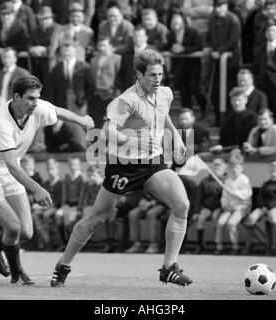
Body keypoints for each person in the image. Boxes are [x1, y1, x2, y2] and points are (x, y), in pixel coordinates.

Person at [51, 49, 192, 287]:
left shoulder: (165, 93)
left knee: (182, 205)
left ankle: (169, 268)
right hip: (124, 165)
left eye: (160, 74)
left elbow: (163, 114)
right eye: (152, 75)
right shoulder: (126, 100)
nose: (158, 80)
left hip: (153, 162)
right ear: (139, 74)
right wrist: (135, 141)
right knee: (97, 217)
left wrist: (175, 136)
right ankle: (63, 265)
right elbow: (107, 132)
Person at [0, 75, 94, 285]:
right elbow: (12, 165)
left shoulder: (37, 107)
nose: (36, 102)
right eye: (31, 98)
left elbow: (58, 111)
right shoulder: (0, 120)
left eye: (38, 97)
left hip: (9, 169)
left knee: (26, 231)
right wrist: (37, 188)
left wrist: (81, 121)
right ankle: (18, 274)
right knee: (13, 228)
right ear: (16, 97)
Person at [243, 161, 276, 256]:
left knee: (272, 215)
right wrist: (262, 206)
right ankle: (249, 244)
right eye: (272, 171)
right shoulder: (266, 184)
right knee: (252, 217)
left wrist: (269, 208)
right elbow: (259, 196)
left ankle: (274, 246)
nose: (273, 173)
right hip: (264, 207)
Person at [214, 149, 252, 255]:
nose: (234, 169)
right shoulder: (228, 180)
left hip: (242, 207)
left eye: (237, 167)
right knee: (220, 222)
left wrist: (234, 192)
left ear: (241, 168)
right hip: (230, 206)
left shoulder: (244, 180)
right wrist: (225, 205)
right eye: (232, 167)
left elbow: (246, 194)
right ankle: (219, 245)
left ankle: (234, 246)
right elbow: (224, 196)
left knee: (231, 223)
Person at [191, 158, 226, 254]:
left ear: (224, 169)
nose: (216, 170)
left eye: (219, 168)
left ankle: (217, 245)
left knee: (215, 217)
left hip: (220, 207)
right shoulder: (205, 181)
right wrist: (196, 212)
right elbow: (199, 198)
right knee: (201, 218)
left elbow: (227, 197)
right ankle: (200, 245)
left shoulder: (226, 181)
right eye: (214, 167)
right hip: (207, 206)